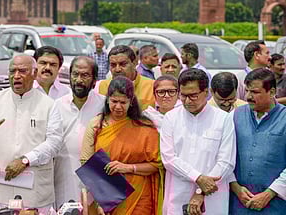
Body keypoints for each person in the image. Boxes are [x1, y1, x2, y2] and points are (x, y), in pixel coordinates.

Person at [0, 54, 62, 209]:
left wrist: (26, 160)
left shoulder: (48, 105)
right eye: (12, 71)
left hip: (34, 191)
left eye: (22, 71)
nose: (16, 76)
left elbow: (54, 143)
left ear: (34, 74)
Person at [81, 76, 163, 215]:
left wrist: (128, 168)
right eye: (114, 101)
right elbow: (86, 161)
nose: (118, 107)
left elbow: (157, 164)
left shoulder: (145, 127)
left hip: (139, 197)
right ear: (107, 99)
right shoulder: (97, 125)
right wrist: (102, 201)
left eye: (123, 102)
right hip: (103, 196)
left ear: (131, 102)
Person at [160, 69, 236, 215]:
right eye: (183, 96)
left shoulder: (223, 119)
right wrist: (198, 178)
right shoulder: (171, 118)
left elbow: (226, 162)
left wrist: (201, 191)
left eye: (193, 96)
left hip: (213, 197)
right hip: (178, 195)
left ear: (206, 92)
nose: (188, 101)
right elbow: (168, 159)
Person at [229, 68, 286, 214]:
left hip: (275, 205)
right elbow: (223, 155)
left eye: (254, 92)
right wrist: (235, 187)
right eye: (247, 91)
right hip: (238, 203)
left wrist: (270, 193)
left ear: (272, 92)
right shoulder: (235, 115)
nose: (248, 96)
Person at [54, 56, 104, 207]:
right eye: (75, 74)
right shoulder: (57, 106)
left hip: (97, 180)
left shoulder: (104, 105)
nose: (79, 80)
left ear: (95, 80)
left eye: (85, 75)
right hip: (63, 176)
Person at [96, 45, 155, 110]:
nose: (117, 69)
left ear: (135, 63)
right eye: (113, 65)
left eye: (123, 64)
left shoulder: (152, 87)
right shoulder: (101, 86)